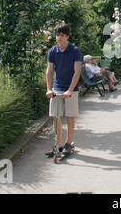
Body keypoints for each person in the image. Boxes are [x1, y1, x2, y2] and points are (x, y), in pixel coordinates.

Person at [45, 23, 82, 157]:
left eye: (62, 35)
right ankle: (58, 145)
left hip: (71, 88)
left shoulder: (74, 50)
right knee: (55, 116)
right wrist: (49, 89)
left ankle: (67, 143)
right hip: (57, 87)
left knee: (69, 115)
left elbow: (77, 72)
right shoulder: (52, 51)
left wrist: (70, 90)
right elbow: (49, 71)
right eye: (57, 35)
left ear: (67, 36)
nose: (59, 38)